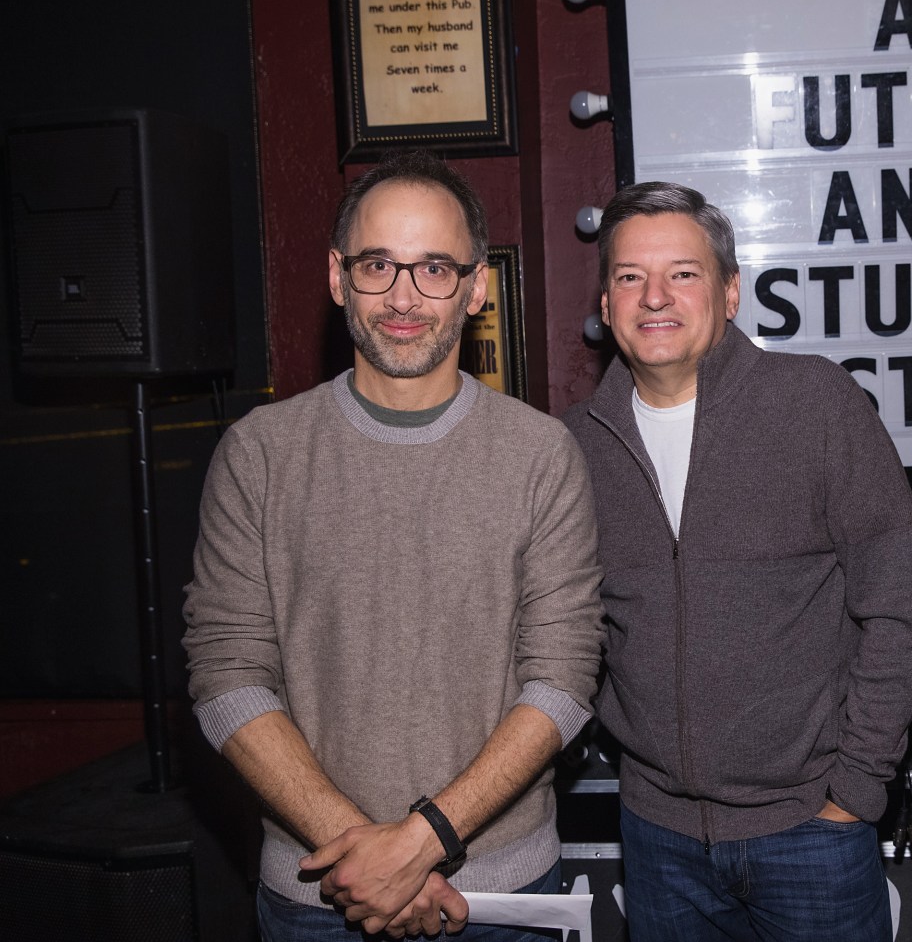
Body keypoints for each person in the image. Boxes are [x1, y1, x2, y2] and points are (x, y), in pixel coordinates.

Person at [183, 149, 605, 940]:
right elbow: (226, 676)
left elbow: (563, 678)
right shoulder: (259, 452)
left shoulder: (541, 454)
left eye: (434, 268)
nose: (404, 296)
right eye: (379, 264)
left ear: (477, 286)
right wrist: (366, 861)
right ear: (340, 277)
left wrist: (421, 843)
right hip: (317, 901)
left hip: (501, 901)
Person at [563, 182, 912, 941]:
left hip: (810, 829)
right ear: (605, 303)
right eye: (630, 276)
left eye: (683, 273)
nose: (654, 295)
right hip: (656, 835)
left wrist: (854, 792)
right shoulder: (575, 447)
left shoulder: (817, 404)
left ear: (730, 293)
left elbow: (894, 608)